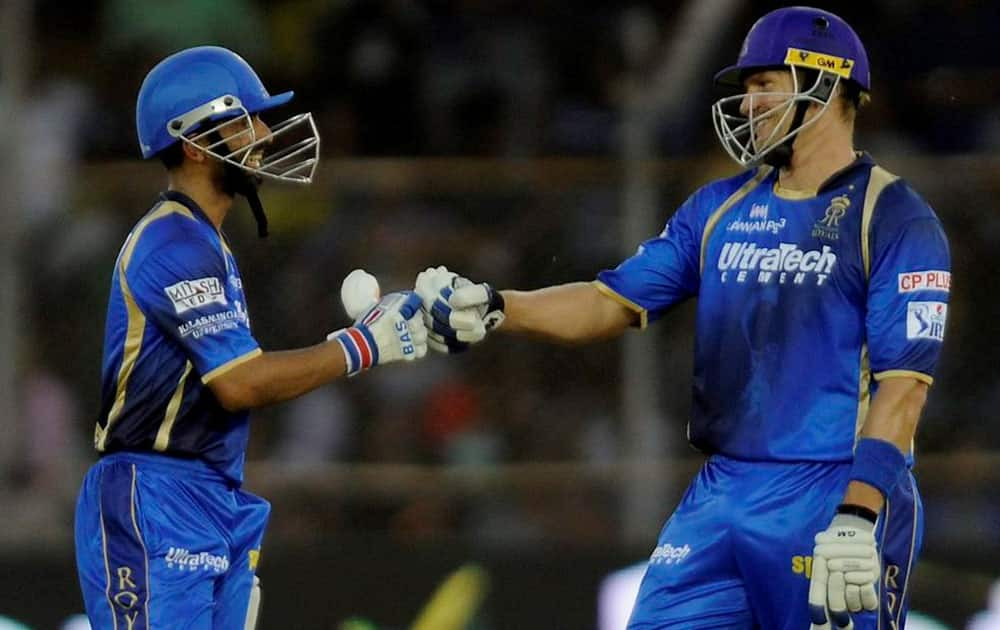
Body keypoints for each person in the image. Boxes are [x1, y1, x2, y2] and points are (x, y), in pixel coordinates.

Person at [417, 7, 950, 630]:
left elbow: (903, 388)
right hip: (722, 490)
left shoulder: (894, 218)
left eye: (763, 85)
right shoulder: (719, 207)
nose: (748, 105)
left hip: (834, 487)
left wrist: (860, 514)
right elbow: (611, 300)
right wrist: (501, 306)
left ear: (826, 86)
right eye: (745, 89)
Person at [74, 46, 428, 629]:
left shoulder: (202, 241)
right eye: (246, 120)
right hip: (155, 499)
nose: (263, 133)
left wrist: (363, 340)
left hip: (206, 495)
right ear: (193, 142)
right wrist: (364, 345)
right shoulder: (174, 246)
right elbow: (240, 384)